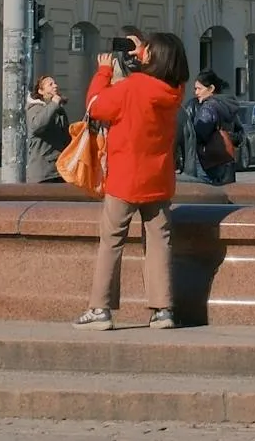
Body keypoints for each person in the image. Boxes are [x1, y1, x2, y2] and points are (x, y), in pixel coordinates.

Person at [73, 31, 188, 332]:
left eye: (145, 50)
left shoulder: (133, 87)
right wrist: (143, 52)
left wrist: (104, 71)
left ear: (152, 55)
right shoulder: (175, 89)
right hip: (159, 179)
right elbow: (159, 69)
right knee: (159, 242)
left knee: (111, 241)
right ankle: (163, 311)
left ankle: (100, 309)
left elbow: (95, 105)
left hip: (125, 178)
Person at [189, 71, 243, 186]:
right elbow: (240, 134)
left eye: (199, 88)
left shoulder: (208, 107)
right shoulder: (227, 105)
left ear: (211, 89)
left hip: (208, 162)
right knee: (226, 196)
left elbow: (200, 133)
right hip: (226, 160)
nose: (196, 92)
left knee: (207, 198)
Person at [24, 76, 68, 183]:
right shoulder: (35, 108)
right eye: (50, 84)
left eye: (55, 83)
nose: (55, 86)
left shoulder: (58, 109)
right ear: (41, 91)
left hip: (59, 169)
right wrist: (53, 104)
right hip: (43, 173)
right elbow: (37, 125)